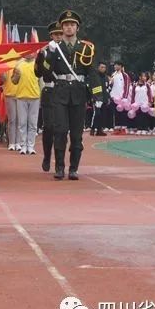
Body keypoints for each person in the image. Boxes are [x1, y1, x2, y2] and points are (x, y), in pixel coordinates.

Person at [43, 10, 102, 181]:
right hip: (59, 93)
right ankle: (60, 167)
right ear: (62, 28)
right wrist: (48, 56)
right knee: (60, 131)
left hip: (78, 93)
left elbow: (92, 73)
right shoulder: (56, 48)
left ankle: (74, 168)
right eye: (66, 25)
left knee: (76, 135)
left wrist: (98, 95)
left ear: (77, 28)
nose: (69, 28)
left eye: (72, 25)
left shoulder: (85, 48)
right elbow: (46, 74)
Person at [35, 22, 62, 171]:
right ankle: (47, 156)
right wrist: (40, 60)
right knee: (49, 127)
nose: (59, 37)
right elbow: (37, 73)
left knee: (61, 128)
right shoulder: (45, 51)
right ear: (51, 35)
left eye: (60, 34)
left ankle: (60, 161)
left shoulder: (67, 50)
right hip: (50, 91)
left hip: (63, 92)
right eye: (56, 34)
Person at [11, 51, 41, 155]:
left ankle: (31, 146)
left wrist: (41, 96)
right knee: (22, 123)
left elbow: (40, 81)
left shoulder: (37, 64)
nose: (29, 54)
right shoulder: (19, 64)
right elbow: (13, 81)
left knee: (33, 123)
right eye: (27, 52)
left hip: (35, 97)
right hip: (21, 97)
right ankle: (23, 145)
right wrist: (16, 76)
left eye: (31, 52)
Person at [109, 61, 131, 134]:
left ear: (121, 66)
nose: (115, 66)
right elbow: (111, 85)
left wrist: (124, 97)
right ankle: (117, 128)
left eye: (116, 65)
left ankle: (123, 128)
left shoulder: (125, 75)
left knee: (122, 113)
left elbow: (127, 86)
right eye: (114, 65)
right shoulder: (113, 74)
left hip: (122, 98)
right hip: (114, 97)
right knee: (116, 113)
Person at [91, 62, 110, 136]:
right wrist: (94, 97)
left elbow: (107, 88)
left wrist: (108, 97)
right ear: (98, 67)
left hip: (104, 98)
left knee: (103, 115)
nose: (103, 69)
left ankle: (99, 130)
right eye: (102, 67)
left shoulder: (106, 77)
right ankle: (93, 128)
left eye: (104, 67)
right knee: (97, 114)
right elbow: (92, 87)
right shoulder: (95, 76)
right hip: (97, 98)